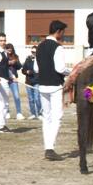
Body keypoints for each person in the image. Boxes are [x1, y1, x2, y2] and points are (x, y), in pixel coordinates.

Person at [34, 20, 68, 160]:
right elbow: (60, 69)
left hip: (42, 86)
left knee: (46, 117)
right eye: (63, 32)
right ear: (58, 31)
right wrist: (72, 72)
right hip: (55, 86)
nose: (64, 35)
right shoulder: (57, 47)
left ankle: (47, 146)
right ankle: (50, 148)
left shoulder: (39, 46)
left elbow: (36, 68)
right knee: (56, 118)